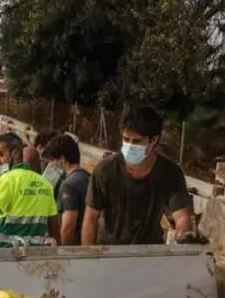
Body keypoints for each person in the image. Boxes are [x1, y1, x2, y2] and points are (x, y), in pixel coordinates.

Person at [83, 105, 194, 246]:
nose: (129, 146)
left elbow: (182, 216)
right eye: (125, 139)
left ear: (154, 140)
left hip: (148, 253)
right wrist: (89, 259)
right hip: (109, 252)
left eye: (136, 141)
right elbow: (90, 219)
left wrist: (184, 236)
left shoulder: (170, 173)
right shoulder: (106, 170)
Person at [0, 133, 58, 243]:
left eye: (0, 155)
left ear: (15, 153)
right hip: (37, 254)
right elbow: (54, 230)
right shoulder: (45, 184)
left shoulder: (7, 180)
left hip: (8, 252)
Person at [42, 134, 90, 246]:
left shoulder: (68, 185)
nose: (51, 165)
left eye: (53, 160)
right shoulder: (89, 177)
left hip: (74, 250)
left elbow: (68, 227)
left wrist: (61, 252)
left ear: (62, 159)